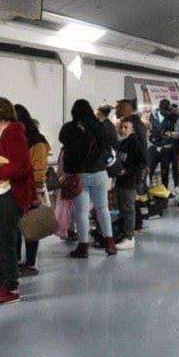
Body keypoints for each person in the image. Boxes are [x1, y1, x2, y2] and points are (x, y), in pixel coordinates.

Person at [0, 98, 35, 305]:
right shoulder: (5, 133)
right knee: (0, 241)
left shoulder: (12, 133)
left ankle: (11, 288)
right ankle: (4, 281)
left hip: (7, 195)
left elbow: (20, 165)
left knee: (5, 243)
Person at [60, 99, 117, 257]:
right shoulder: (99, 126)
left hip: (80, 175)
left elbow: (62, 140)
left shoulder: (69, 128)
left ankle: (83, 246)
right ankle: (110, 243)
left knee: (82, 212)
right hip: (100, 172)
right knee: (102, 208)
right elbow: (111, 143)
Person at [14, 104, 51, 277]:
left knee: (32, 225)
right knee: (18, 227)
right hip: (16, 189)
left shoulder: (37, 142)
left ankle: (31, 263)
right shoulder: (19, 139)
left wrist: (37, 192)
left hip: (30, 190)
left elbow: (39, 169)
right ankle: (18, 261)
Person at [114, 116, 148, 249]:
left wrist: (127, 171)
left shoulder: (135, 141)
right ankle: (124, 234)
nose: (122, 130)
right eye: (121, 127)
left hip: (129, 180)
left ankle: (129, 237)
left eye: (126, 127)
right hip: (121, 179)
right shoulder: (123, 142)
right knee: (122, 208)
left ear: (132, 129)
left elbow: (143, 162)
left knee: (128, 209)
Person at [149, 99, 176, 188]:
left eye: (168, 110)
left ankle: (165, 190)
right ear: (160, 108)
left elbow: (175, 131)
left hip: (166, 148)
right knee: (150, 170)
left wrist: (170, 134)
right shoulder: (152, 116)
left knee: (165, 172)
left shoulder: (171, 118)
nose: (167, 112)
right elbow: (149, 130)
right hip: (153, 147)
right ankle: (147, 190)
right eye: (165, 111)